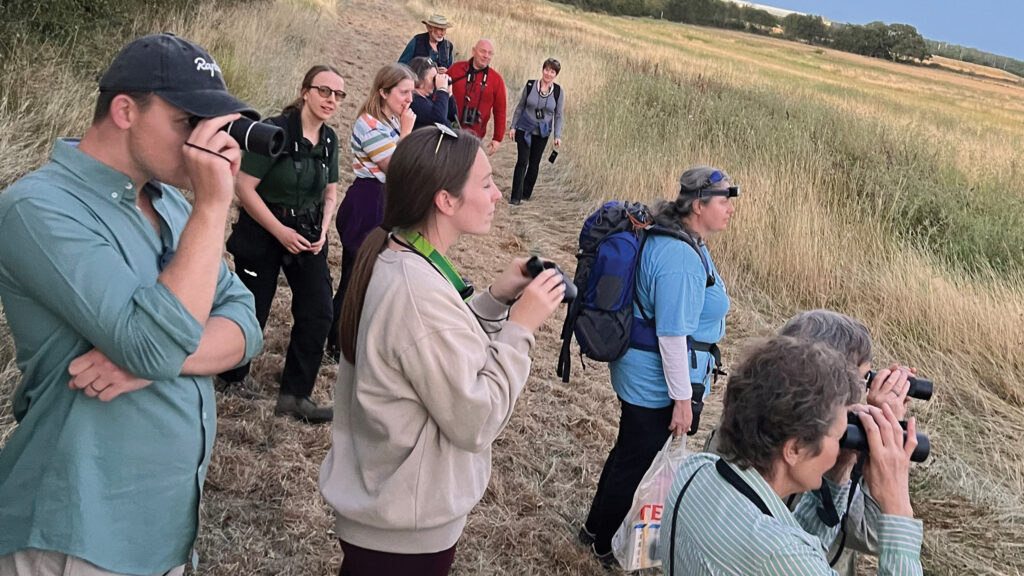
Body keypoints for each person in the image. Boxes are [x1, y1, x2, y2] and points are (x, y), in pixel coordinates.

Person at [0, 33, 263, 575]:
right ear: (124, 110)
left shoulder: (165, 201)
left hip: (161, 527)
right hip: (78, 529)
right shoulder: (37, 209)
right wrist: (214, 207)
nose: (204, 143)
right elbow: (149, 344)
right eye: (188, 121)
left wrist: (157, 364)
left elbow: (243, 318)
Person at [319, 126, 565, 576]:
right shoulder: (416, 291)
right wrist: (520, 329)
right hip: (403, 532)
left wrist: (496, 298)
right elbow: (476, 420)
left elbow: (435, 348)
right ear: (445, 201)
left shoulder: (396, 251)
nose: (495, 196)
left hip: (388, 517)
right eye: (486, 183)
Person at [660, 336, 923, 575]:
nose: (839, 446)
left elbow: (800, 540)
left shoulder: (696, 470)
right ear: (794, 449)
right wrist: (896, 504)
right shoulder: (780, 557)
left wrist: (839, 468)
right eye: (837, 435)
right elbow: (790, 554)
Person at [579, 166, 736, 568]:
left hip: (644, 372)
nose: (730, 208)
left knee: (629, 451)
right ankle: (603, 544)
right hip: (653, 380)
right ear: (698, 205)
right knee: (637, 458)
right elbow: (671, 337)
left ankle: (595, 530)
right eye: (723, 200)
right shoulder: (680, 256)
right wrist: (682, 401)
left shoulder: (683, 238)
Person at [215, 64, 344, 424]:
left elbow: (331, 191)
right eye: (324, 91)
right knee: (251, 307)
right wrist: (279, 231)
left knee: (318, 311)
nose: (331, 100)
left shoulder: (330, 139)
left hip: (307, 232)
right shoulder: (274, 132)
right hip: (263, 229)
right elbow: (244, 187)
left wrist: (324, 228)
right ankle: (231, 376)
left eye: (337, 94)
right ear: (305, 92)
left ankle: (295, 395)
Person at [775, 310, 915, 576]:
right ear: (822, 386)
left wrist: (853, 453)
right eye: (860, 381)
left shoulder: (749, 426)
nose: (863, 393)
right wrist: (896, 499)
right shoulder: (799, 452)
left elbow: (811, 527)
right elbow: (871, 533)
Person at [326, 63, 416, 360]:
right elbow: (397, 168)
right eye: (403, 93)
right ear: (383, 91)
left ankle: (345, 338)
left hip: (380, 200)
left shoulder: (387, 121)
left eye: (411, 93)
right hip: (368, 202)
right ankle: (336, 340)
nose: (408, 100)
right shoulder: (370, 124)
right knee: (355, 276)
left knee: (367, 277)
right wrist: (406, 133)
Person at [508, 58, 564, 205]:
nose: (548, 74)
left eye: (552, 71)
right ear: (542, 70)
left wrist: (557, 136)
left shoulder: (558, 92)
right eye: (546, 70)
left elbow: (558, 115)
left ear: (556, 74)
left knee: (534, 163)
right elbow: (520, 107)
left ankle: (526, 193)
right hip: (524, 128)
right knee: (522, 161)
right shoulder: (530, 85)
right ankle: (515, 197)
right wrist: (513, 126)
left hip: (543, 133)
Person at [449, 39, 506, 156]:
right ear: (473, 51)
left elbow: (500, 110)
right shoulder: (456, 70)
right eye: (483, 51)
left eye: (490, 53)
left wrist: (497, 138)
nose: (486, 56)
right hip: (450, 129)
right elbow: (438, 93)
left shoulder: (496, 80)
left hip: (476, 136)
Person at [408, 56, 455, 130]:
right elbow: (438, 118)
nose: (435, 82)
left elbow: (452, 117)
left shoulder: (427, 98)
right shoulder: (413, 100)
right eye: (433, 79)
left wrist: (449, 93)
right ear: (419, 80)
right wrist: (442, 90)